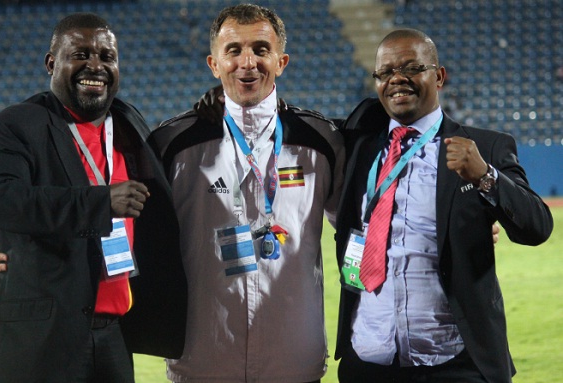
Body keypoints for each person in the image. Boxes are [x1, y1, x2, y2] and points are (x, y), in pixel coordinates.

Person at [0, 13, 187, 383]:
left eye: (107, 56)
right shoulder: (19, 123)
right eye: (81, 54)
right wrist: (100, 203)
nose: (96, 66)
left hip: (115, 335)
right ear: (51, 63)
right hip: (40, 341)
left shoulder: (128, 122)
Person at [333, 28, 553, 383]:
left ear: (439, 76)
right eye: (386, 72)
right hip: (368, 360)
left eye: (411, 67)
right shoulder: (358, 147)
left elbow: (537, 227)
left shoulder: (485, 147)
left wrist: (485, 176)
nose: (397, 79)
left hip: (455, 364)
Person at [148, 4, 345, 382]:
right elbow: (126, 226)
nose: (248, 62)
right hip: (203, 357)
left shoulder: (322, 141)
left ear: (281, 61)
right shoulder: (172, 144)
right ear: (214, 63)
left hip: (293, 357)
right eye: (234, 50)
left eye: (260, 49)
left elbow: (368, 221)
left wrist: (463, 223)